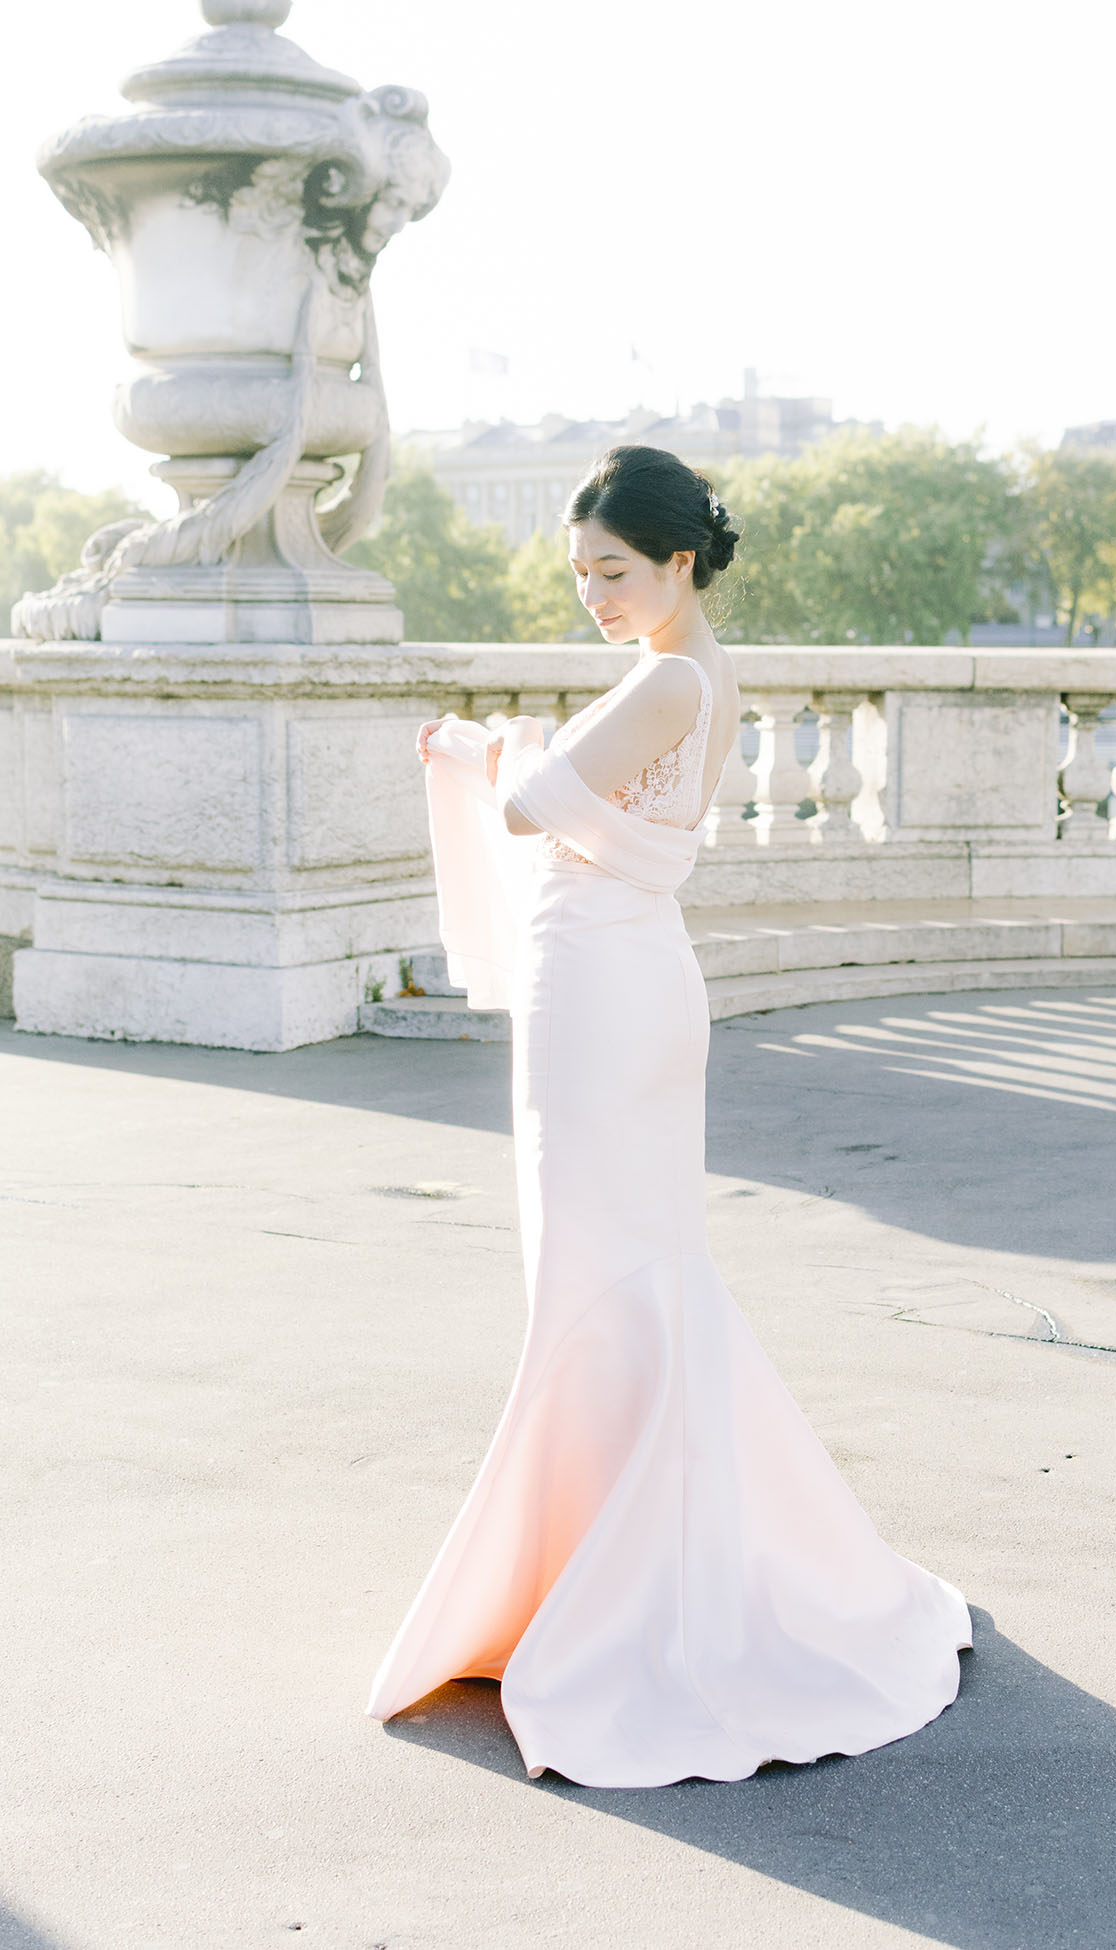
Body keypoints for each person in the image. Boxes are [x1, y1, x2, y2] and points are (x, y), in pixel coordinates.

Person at [365, 445, 971, 1787]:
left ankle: (619, 1575)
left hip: (604, 994)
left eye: (614, 569)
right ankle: (616, 1548)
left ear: (679, 560)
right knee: (631, 1273)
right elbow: (572, 801)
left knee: (597, 1273)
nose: (592, 592)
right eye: (579, 571)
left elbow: (534, 808)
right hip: (626, 979)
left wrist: (487, 748)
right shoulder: (694, 668)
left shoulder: (671, 676)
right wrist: (510, 754)